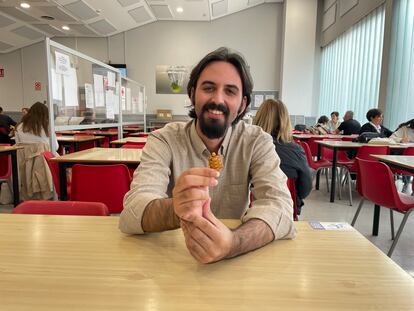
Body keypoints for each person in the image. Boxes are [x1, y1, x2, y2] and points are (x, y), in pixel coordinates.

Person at [119, 47, 296, 264]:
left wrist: (233, 243)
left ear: (243, 104)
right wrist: (177, 208)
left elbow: (280, 208)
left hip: (236, 264)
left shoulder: (256, 141)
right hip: (172, 261)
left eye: (230, 91)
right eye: (208, 87)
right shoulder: (164, 139)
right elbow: (132, 213)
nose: (217, 99)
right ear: (192, 93)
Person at [253, 99, 312, 214]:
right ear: (286, 120)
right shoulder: (296, 151)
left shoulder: (247, 147)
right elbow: (305, 188)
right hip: (286, 211)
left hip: (252, 210)